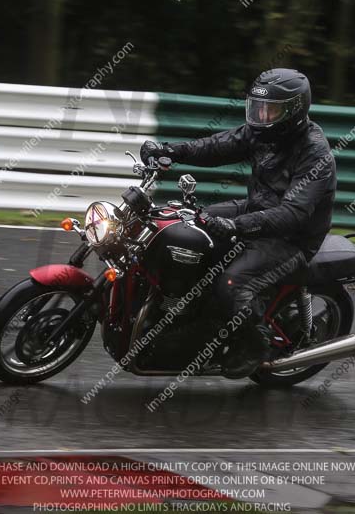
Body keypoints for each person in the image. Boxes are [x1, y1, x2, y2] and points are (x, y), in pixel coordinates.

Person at [139, 68, 337, 379]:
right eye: (257, 108)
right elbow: (217, 146)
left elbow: (292, 215)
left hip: (292, 238)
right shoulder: (261, 133)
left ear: (294, 112)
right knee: (186, 225)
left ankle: (255, 344)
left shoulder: (315, 154)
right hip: (256, 209)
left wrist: (236, 226)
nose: (260, 116)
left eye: (270, 110)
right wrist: (169, 150)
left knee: (232, 283)